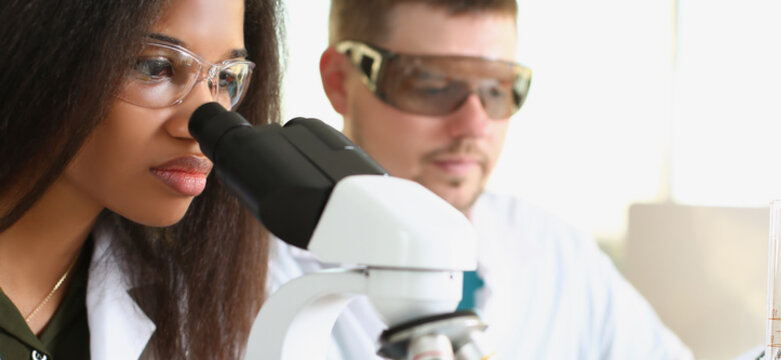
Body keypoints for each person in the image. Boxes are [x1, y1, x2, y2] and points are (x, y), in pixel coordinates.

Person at [268, 0, 693, 358]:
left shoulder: (560, 259)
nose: (475, 125)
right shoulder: (261, 268)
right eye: (431, 85)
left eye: (496, 88)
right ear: (340, 81)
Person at [0, 0, 282, 358]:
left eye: (226, 78)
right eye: (156, 66)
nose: (202, 129)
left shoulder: (189, 307)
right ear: (43, 51)